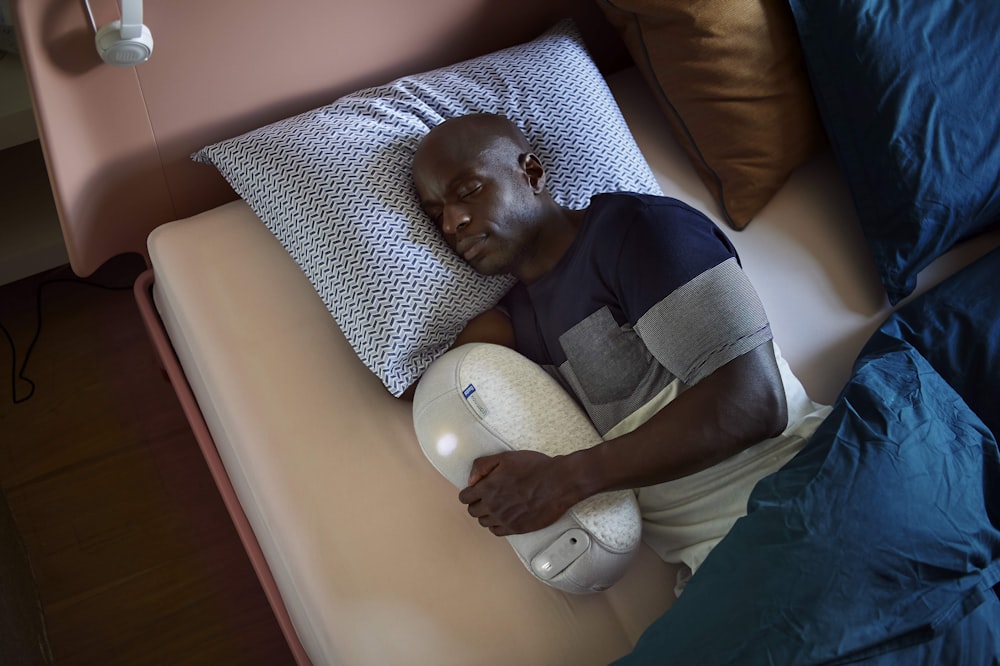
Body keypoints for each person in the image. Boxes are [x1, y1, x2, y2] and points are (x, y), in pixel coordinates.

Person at [411, 113, 830, 590]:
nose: (452, 221)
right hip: (717, 570)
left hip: (808, 493)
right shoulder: (511, 324)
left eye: (467, 192)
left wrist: (561, 481)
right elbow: (421, 385)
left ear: (531, 173)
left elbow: (754, 402)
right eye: (434, 213)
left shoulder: (640, 231)